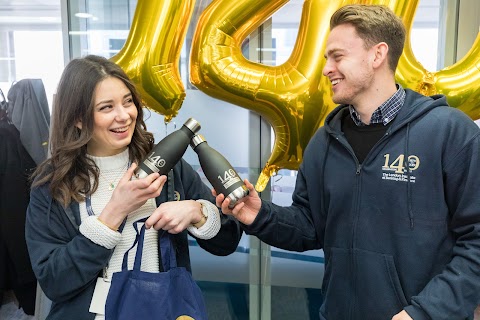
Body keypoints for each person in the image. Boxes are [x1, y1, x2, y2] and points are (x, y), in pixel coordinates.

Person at [215, 4, 480, 320]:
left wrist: (424, 313)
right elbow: (309, 227)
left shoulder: (449, 132)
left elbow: (476, 242)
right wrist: (260, 216)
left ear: (377, 55)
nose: (326, 68)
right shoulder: (325, 141)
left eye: (337, 56)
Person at [25, 55, 242, 320]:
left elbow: (227, 242)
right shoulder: (52, 185)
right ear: (79, 119)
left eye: (128, 102)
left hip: (164, 311)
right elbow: (55, 281)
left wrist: (199, 212)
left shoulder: (166, 164)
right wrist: (113, 214)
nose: (124, 115)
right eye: (106, 107)